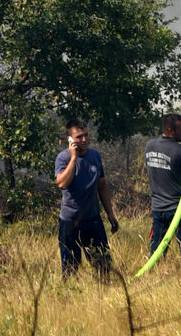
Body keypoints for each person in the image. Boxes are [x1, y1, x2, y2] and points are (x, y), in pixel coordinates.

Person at [54, 118, 120, 277]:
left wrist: (110, 214)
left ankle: (103, 288)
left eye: (86, 135)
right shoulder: (63, 158)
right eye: (79, 137)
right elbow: (62, 183)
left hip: (92, 219)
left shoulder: (95, 156)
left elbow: (102, 185)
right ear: (70, 139)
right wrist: (73, 158)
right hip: (70, 220)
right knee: (70, 267)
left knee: (103, 264)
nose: (84, 139)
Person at [143, 112, 181, 264]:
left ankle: (155, 271)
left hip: (158, 208)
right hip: (180, 209)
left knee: (157, 247)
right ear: (170, 130)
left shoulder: (149, 146)